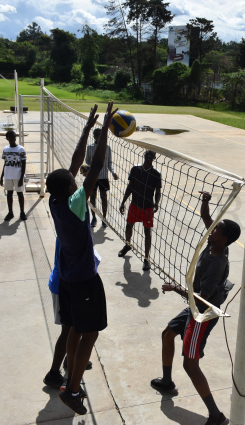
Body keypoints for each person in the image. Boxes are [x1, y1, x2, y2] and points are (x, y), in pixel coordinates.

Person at [45, 101, 117, 415]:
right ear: (72, 188)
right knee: (91, 332)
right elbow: (95, 164)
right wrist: (105, 131)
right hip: (84, 280)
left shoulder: (56, 200)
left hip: (68, 279)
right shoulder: (76, 203)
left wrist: (88, 127)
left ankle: (69, 377)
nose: (78, 178)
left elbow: (74, 165)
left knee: (74, 328)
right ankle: (72, 389)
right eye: (75, 180)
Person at [150, 191, 240, 425]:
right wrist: (205, 202)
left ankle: (216, 416)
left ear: (224, 238)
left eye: (216, 229)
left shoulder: (217, 261)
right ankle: (167, 382)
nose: (212, 229)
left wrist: (175, 288)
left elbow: (202, 299)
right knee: (167, 334)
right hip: (194, 308)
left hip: (202, 314)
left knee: (190, 364)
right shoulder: (217, 244)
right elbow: (207, 219)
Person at [42, 238, 91, 396]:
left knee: (73, 329)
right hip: (63, 286)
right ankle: (53, 374)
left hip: (64, 283)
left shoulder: (72, 230)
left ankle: (71, 358)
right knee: (68, 331)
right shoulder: (71, 232)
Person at [118, 150, 162, 271]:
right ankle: (127, 245)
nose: (149, 157)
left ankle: (146, 259)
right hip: (135, 204)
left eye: (151, 155)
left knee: (147, 232)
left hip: (147, 207)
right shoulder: (135, 169)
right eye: (147, 155)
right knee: (129, 225)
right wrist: (123, 202)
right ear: (144, 155)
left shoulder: (156, 173)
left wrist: (156, 203)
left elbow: (158, 191)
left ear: (154, 157)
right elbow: (130, 186)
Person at [85, 128, 119, 227]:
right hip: (93, 176)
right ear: (94, 136)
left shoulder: (107, 147)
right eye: (96, 135)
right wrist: (88, 170)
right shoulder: (90, 147)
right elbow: (87, 161)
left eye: (100, 135)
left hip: (103, 176)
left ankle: (104, 218)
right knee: (92, 196)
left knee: (104, 197)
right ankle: (94, 218)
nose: (98, 137)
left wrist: (113, 172)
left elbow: (109, 162)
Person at [0, 130, 27, 221]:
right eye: (10, 137)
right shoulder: (6, 149)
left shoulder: (21, 149)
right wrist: (1, 177)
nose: (13, 139)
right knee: (9, 194)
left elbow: (24, 164)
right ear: (7, 138)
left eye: (14, 137)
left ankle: (22, 212)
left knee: (20, 194)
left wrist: (22, 178)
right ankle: (10, 212)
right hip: (8, 175)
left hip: (18, 176)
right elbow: (5, 163)